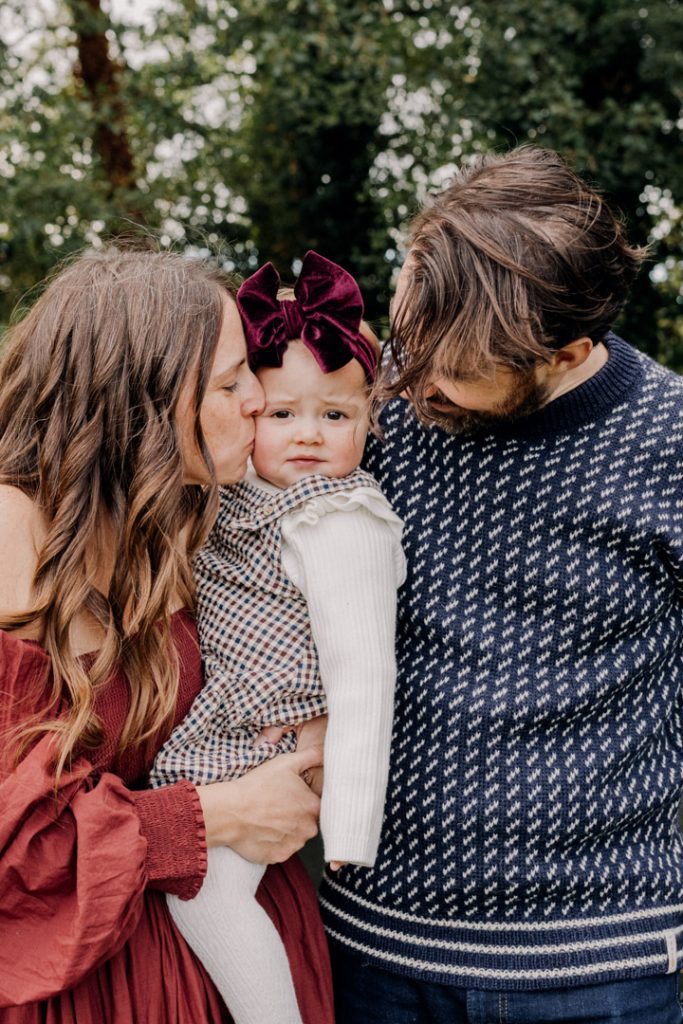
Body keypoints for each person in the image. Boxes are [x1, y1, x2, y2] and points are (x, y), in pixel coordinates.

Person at [319, 146, 683, 1023]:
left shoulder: (669, 441)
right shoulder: (380, 409)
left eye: (452, 369)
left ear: (567, 352)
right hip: (374, 954)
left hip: (605, 969)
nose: (409, 381)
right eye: (409, 336)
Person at [0, 246, 334, 1024]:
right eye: (227, 383)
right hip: (90, 983)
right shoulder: (14, 533)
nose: (258, 398)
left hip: (232, 953)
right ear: (137, 406)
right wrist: (213, 815)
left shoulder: (193, 520)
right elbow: (18, 844)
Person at [150, 251, 406, 1024]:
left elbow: (365, 673)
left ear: (369, 423)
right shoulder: (241, 498)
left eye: (335, 416)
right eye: (280, 413)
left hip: (265, 743)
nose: (306, 437)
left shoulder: (339, 519)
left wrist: (350, 822)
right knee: (201, 895)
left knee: (204, 895)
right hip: (223, 729)